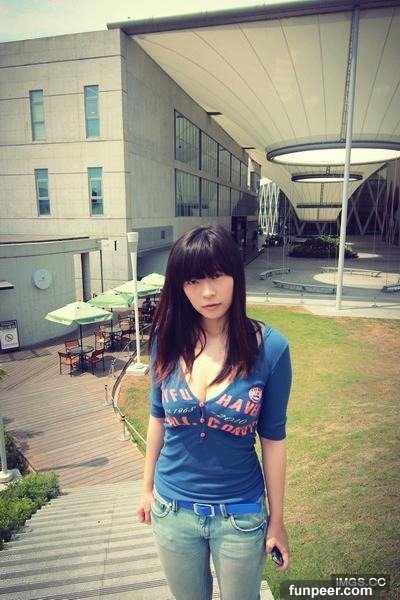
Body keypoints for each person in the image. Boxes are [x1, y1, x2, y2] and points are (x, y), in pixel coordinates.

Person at [137, 225, 292, 600]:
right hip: (172, 511)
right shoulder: (166, 340)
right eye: (193, 281)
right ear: (180, 286)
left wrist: (277, 521)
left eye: (217, 275)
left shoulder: (271, 348)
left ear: (236, 276)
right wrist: (145, 489)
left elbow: (273, 440)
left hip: (240, 516)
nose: (207, 292)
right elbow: (158, 418)